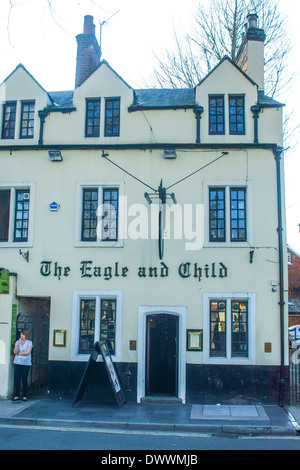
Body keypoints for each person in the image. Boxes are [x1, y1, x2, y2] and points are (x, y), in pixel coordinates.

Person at [12, 330, 33, 401]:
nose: (21, 336)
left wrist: (18, 354)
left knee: (24, 379)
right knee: (17, 379)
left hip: (25, 363)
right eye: (21, 335)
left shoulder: (29, 342)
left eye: (23, 335)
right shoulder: (17, 342)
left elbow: (27, 352)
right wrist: (18, 344)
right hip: (17, 363)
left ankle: (24, 395)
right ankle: (17, 395)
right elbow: (15, 351)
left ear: (26, 335)